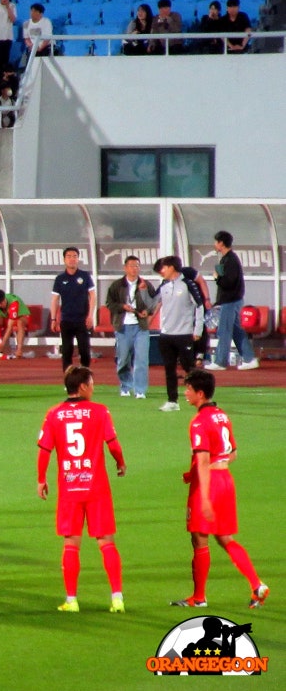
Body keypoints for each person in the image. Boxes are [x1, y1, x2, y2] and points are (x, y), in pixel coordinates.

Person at [170, 369, 268, 609]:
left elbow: (203, 460)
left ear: (200, 393)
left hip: (210, 483)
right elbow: (232, 453)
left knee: (199, 539)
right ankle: (256, 585)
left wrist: (204, 497)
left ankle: (199, 597)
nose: (185, 393)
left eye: (189, 389)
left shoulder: (198, 422)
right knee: (225, 538)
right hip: (225, 479)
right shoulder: (222, 416)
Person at [37, 365, 127, 613]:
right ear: (83, 387)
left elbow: (44, 450)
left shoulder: (54, 414)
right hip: (96, 486)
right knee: (106, 541)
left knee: (71, 543)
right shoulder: (99, 411)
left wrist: (41, 479)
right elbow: (113, 444)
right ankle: (117, 597)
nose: (94, 387)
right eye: (92, 383)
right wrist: (120, 462)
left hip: (69, 487)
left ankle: (71, 600)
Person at [149, 256, 203, 412]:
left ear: (171, 267)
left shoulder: (188, 284)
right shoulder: (164, 285)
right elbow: (153, 302)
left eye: (163, 268)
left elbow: (199, 306)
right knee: (169, 369)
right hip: (166, 334)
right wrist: (144, 290)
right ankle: (172, 401)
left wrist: (197, 329)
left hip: (184, 333)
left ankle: (202, 397)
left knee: (190, 369)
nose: (161, 271)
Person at [205, 230, 258, 371]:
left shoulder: (231, 260)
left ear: (221, 243)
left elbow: (228, 282)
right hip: (230, 300)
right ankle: (249, 358)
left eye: (216, 242)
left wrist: (217, 277)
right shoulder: (226, 259)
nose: (214, 245)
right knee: (236, 331)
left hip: (231, 301)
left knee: (224, 331)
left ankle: (220, 362)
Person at [105, 256, 155, 400]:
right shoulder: (116, 285)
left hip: (141, 327)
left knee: (141, 359)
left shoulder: (145, 285)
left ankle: (140, 390)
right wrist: (122, 307)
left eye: (137, 266)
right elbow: (109, 304)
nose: (135, 268)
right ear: (125, 268)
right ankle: (125, 386)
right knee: (123, 359)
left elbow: (153, 302)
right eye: (132, 266)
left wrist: (147, 311)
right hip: (123, 327)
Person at [50, 247, 96, 371]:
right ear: (64, 259)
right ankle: (68, 378)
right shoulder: (60, 279)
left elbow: (92, 296)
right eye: (69, 256)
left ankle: (84, 375)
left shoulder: (85, 276)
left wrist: (90, 315)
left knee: (85, 350)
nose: (72, 259)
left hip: (82, 320)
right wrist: (53, 319)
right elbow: (55, 300)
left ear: (78, 259)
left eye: (74, 256)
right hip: (66, 320)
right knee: (67, 351)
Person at [0, 288, 31, 358]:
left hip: (22, 316)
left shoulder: (14, 303)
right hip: (6, 317)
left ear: (4, 299)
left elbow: (10, 327)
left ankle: (19, 350)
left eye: (1, 303)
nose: (0, 305)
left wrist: (2, 344)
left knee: (20, 322)